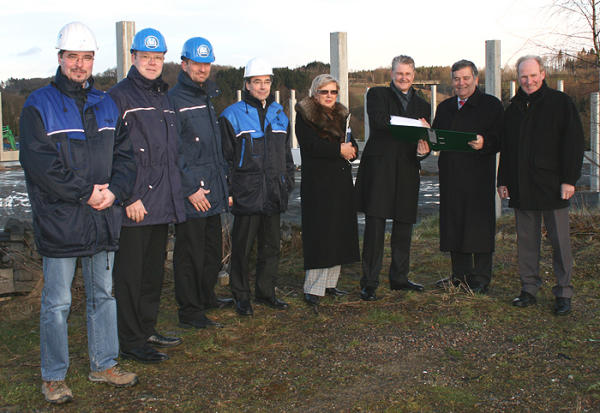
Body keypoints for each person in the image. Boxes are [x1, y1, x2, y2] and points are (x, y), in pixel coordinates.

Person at [19, 22, 138, 404]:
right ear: (60, 58)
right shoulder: (39, 104)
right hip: (62, 219)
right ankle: (53, 376)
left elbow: (126, 157)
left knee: (104, 294)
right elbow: (39, 165)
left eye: (87, 58)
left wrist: (115, 191)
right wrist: (85, 193)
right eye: (73, 57)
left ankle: (103, 364)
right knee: (58, 302)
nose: (80, 64)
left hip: (102, 216)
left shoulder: (107, 104)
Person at [109, 28, 186, 363]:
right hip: (136, 205)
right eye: (146, 57)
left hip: (162, 203)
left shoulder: (163, 98)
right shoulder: (118, 98)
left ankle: (146, 328)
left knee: (153, 273)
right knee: (130, 276)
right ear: (133, 57)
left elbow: (170, 154)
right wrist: (129, 197)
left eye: (158, 58)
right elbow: (111, 153)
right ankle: (129, 340)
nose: (153, 63)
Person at [498, 55, 584, 315]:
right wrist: (503, 180)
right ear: (518, 79)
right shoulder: (513, 109)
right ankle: (528, 288)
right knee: (526, 241)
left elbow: (573, 143)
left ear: (543, 74)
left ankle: (563, 292)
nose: (529, 81)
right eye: (524, 76)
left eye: (533, 75)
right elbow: (507, 149)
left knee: (560, 241)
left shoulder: (561, 103)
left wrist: (570, 179)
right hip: (522, 186)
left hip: (553, 185)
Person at [219, 57, 294, 316]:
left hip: (273, 190)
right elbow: (225, 158)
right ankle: (241, 296)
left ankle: (266, 292)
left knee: (271, 246)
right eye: (256, 82)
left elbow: (286, 154)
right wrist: (229, 191)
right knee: (243, 247)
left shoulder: (279, 114)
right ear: (247, 84)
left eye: (266, 81)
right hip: (247, 192)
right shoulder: (232, 115)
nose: (262, 87)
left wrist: (288, 181)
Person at [355, 55, 431, 301]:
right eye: (399, 73)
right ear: (391, 73)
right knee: (375, 226)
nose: (404, 78)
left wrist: (424, 151)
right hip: (380, 168)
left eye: (408, 74)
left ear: (414, 74)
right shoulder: (376, 95)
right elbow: (379, 122)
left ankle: (399, 277)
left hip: (408, 168)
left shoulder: (423, 104)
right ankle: (369, 281)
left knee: (404, 225)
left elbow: (424, 140)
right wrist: (414, 126)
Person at [168, 37, 230, 328]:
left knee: (211, 251)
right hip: (193, 192)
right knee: (189, 254)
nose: (202, 68)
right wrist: (189, 188)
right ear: (184, 64)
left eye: (207, 63)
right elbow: (173, 150)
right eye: (197, 63)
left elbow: (213, 149)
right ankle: (190, 311)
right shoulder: (175, 100)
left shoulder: (206, 96)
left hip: (212, 189)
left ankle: (206, 297)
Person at [432, 59, 503, 293]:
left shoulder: (491, 105)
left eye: (465, 78)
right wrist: (425, 134)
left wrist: (485, 142)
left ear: (476, 79)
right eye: (456, 79)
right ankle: (459, 276)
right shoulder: (445, 107)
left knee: (479, 225)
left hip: (478, 175)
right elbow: (436, 137)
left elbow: (501, 138)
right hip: (451, 175)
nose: (460, 83)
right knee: (455, 224)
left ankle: (481, 277)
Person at [295, 74, 360, 306]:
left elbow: (351, 143)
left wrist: (352, 150)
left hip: (340, 183)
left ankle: (330, 284)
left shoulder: (342, 115)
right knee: (321, 235)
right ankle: (312, 288)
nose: (329, 96)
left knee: (338, 233)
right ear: (315, 93)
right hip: (318, 183)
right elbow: (311, 146)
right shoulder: (304, 116)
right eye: (324, 92)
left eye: (333, 92)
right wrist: (339, 150)